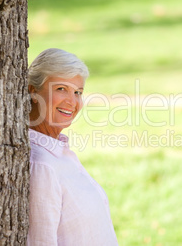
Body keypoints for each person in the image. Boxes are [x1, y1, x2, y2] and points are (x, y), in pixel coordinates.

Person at [27, 48, 118, 245]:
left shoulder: (57, 152)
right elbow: (41, 241)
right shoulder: (42, 165)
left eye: (78, 92)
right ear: (33, 91)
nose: (72, 101)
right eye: (61, 89)